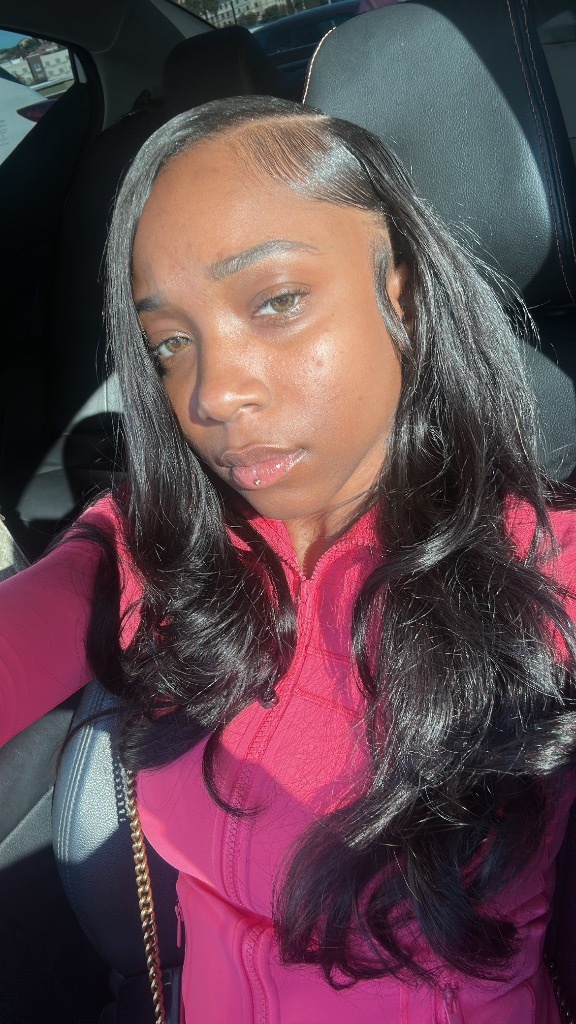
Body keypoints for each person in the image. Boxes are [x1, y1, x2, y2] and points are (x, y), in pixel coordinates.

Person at [2, 94, 576, 1023]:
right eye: (170, 344)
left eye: (276, 301)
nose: (212, 394)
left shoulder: (543, 574)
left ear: (401, 294)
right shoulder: (163, 542)